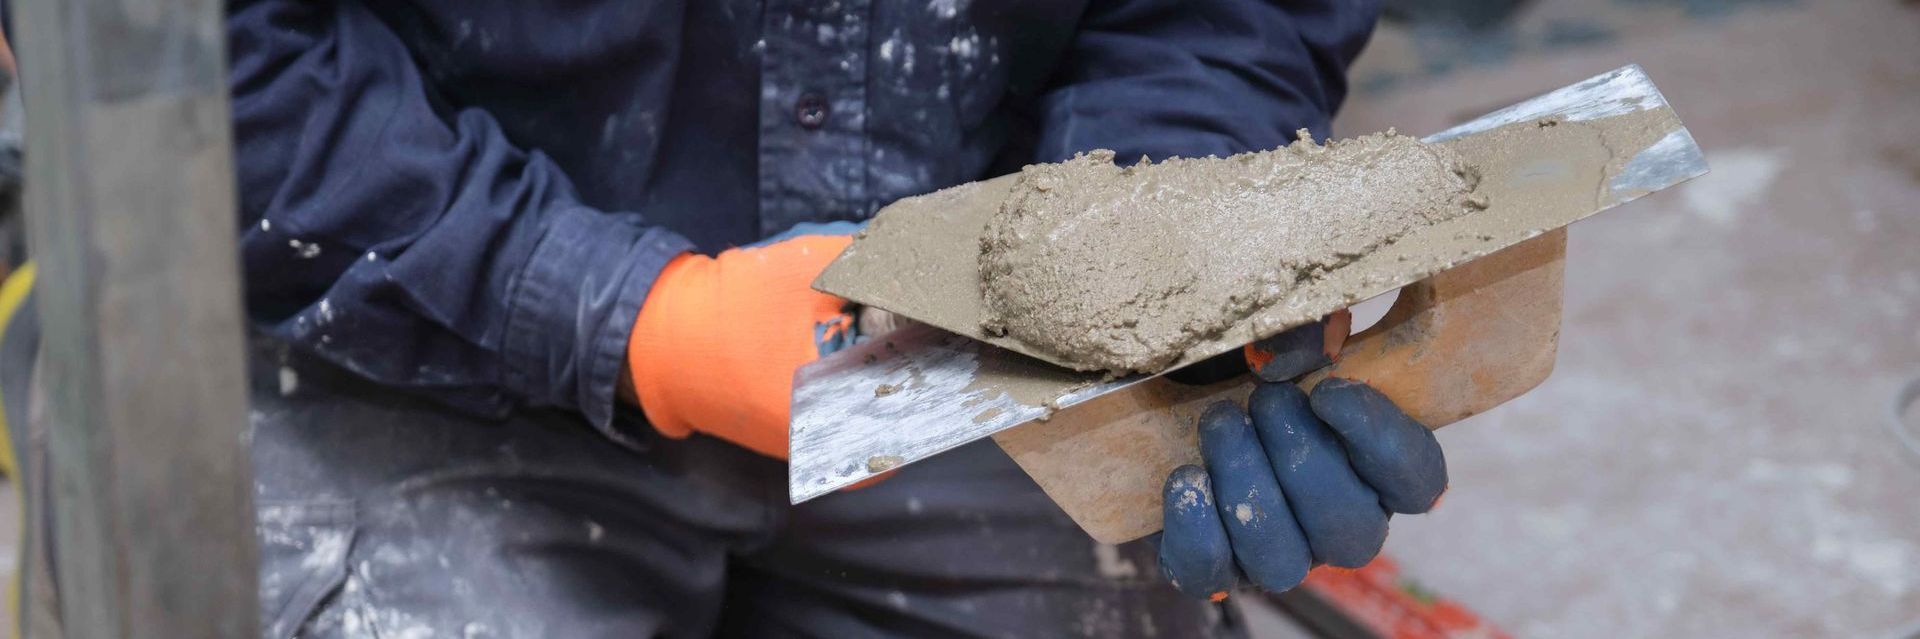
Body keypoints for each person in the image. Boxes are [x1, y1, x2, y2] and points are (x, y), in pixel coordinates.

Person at [8, 0, 1449, 636]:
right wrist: (639, 321)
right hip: (370, 314)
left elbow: (1223, 13)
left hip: (959, 332)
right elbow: (177, 52)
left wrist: (1166, 237)